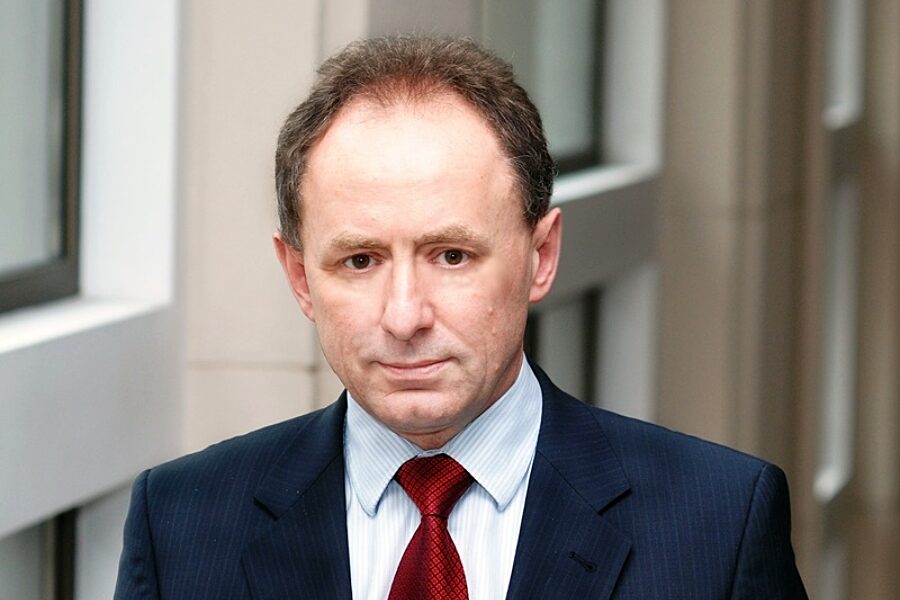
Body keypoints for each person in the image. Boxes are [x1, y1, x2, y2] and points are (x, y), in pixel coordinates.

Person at [115, 36, 807, 599]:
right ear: (300, 277)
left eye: (451, 255)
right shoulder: (178, 525)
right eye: (360, 260)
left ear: (541, 256)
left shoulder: (719, 527)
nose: (404, 316)